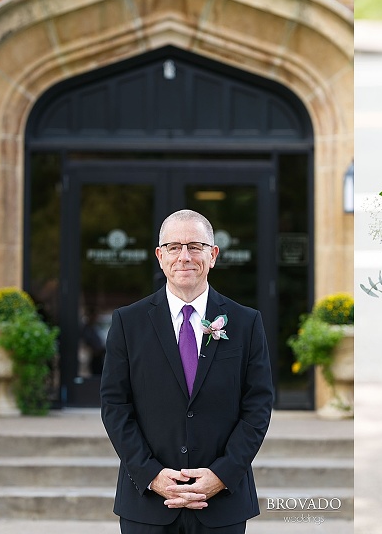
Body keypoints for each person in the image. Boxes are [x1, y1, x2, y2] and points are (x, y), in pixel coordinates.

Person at [100, 209, 273, 534]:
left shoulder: (247, 322)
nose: (185, 256)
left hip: (222, 502)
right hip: (147, 501)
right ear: (160, 256)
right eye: (174, 247)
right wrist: (151, 474)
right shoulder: (128, 322)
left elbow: (258, 407)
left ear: (213, 255)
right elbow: (114, 407)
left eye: (195, 246)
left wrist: (222, 475)